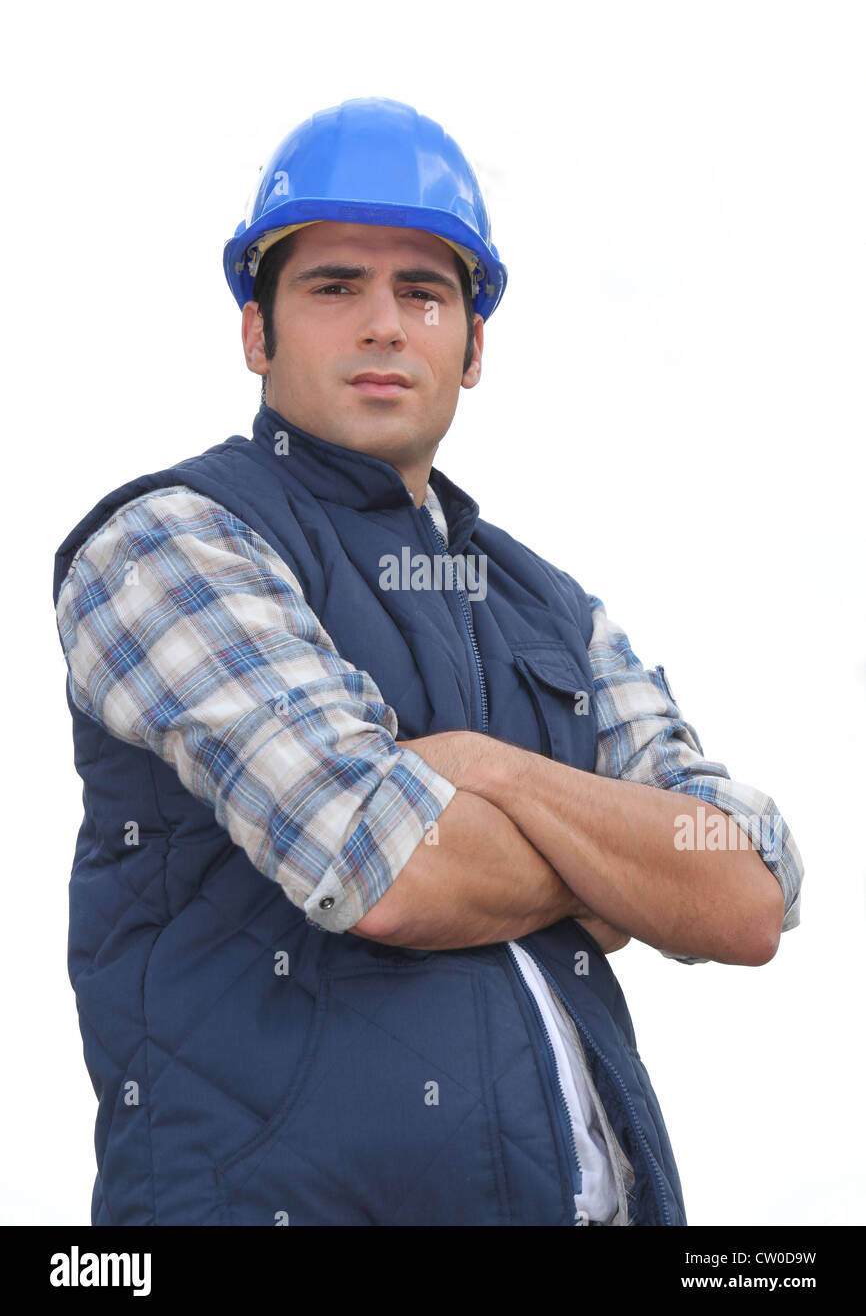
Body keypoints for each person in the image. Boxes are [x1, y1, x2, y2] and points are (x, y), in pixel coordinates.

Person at [53, 97, 803, 1227]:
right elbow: (384, 864)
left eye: (422, 292)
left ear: (472, 345)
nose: (383, 324)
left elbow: (745, 887)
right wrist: (614, 872)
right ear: (254, 331)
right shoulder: (171, 544)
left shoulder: (550, 609)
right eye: (332, 285)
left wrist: (486, 772)